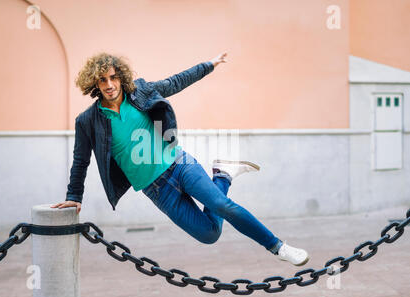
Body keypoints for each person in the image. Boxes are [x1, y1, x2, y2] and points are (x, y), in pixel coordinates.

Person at [51, 52, 309, 266]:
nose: (109, 85)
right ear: (94, 84)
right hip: (156, 190)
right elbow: (80, 160)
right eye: (102, 80)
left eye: (113, 77)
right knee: (209, 234)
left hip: (180, 166)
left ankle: (277, 246)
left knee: (222, 206)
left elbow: (176, 82)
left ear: (120, 77)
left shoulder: (140, 92)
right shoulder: (88, 121)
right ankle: (223, 175)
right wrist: (74, 196)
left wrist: (208, 66)